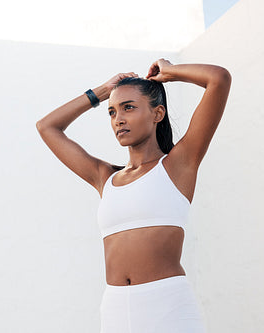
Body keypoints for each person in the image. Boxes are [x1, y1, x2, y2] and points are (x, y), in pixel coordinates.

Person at [36, 58, 231, 333]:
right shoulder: (105, 177)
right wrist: (101, 92)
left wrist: (169, 72)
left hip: (168, 307)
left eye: (128, 108)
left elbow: (219, 79)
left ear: (157, 114)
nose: (119, 119)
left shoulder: (178, 165)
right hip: (115, 309)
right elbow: (47, 127)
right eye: (112, 112)